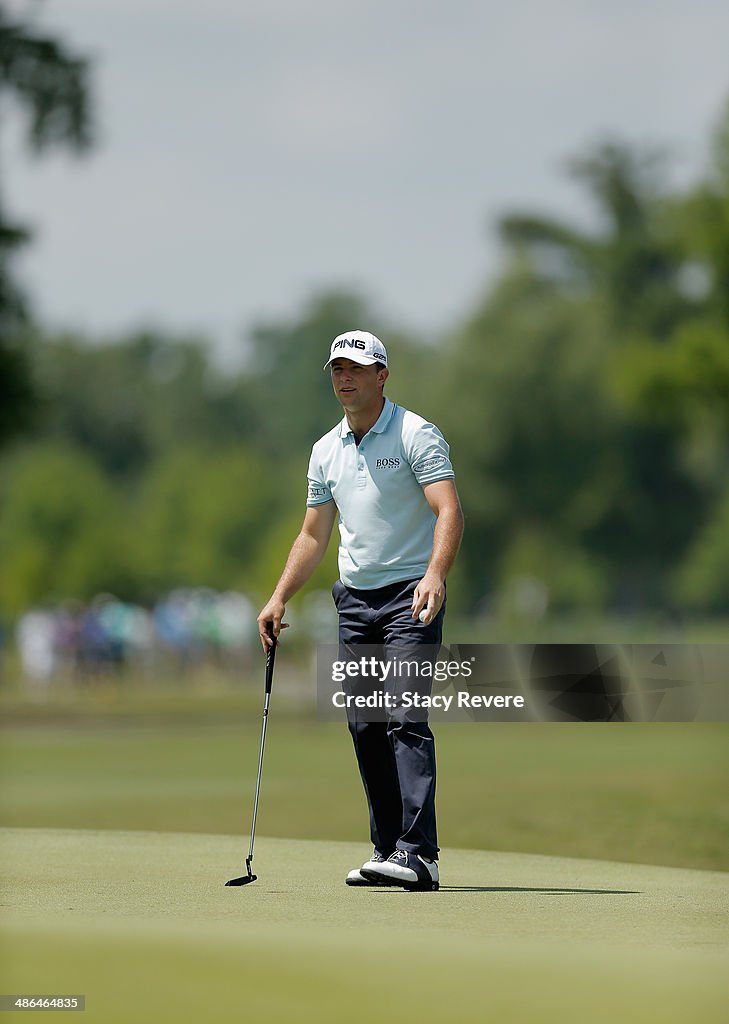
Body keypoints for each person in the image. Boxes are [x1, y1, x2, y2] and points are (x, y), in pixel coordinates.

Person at [257, 330, 463, 890]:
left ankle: (421, 854)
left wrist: (435, 575)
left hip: (409, 596)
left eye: (355, 368)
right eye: (336, 369)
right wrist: (279, 597)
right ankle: (389, 848)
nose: (344, 378)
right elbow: (312, 536)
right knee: (364, 722)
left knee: (404, 715)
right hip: (354, 601)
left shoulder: (417, 433)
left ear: (382, 376)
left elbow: (448, 511)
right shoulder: (326, 450)